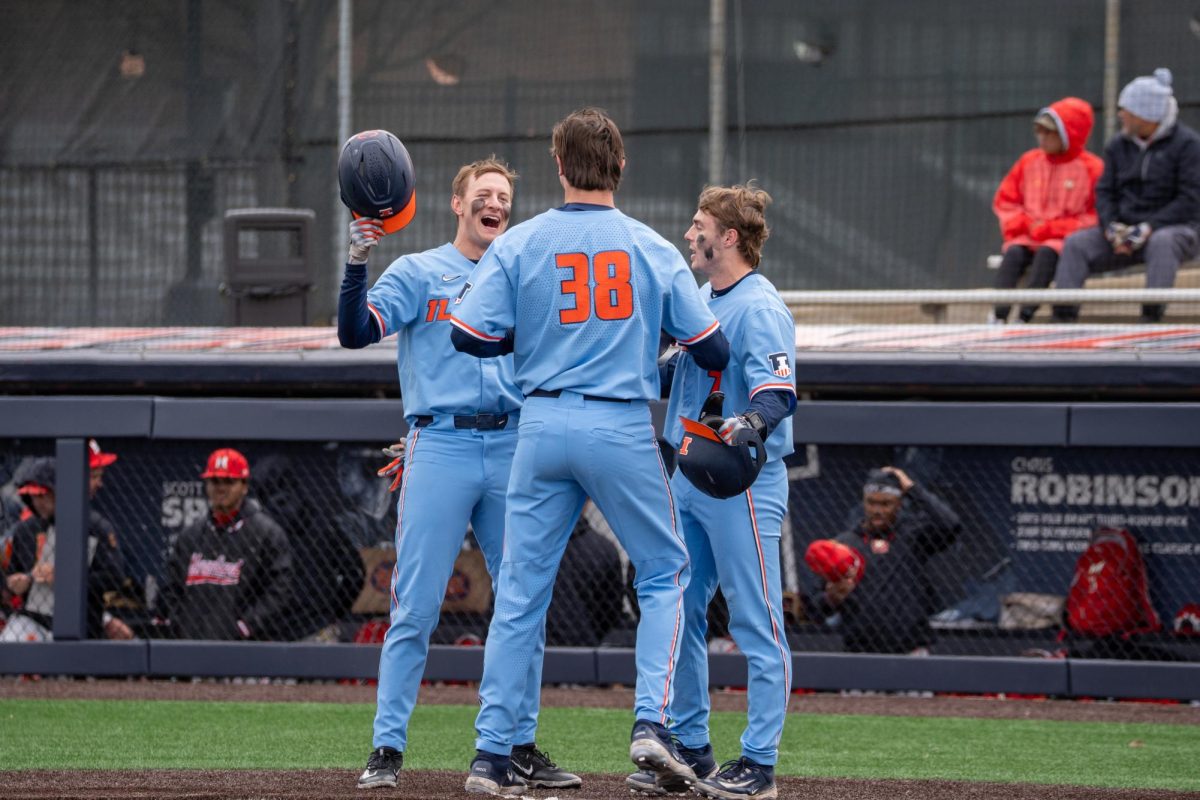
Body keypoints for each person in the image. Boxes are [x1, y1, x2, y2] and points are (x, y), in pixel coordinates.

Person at [451, 107, 730, 796]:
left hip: (541, 422)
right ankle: (650, 726)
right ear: (621, 165)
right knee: (666, 570)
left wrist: (538, 339)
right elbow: (714, 349)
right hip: (617, 423)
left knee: (519, 592)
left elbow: (466, 336)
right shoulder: (648, 246)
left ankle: (491, 755)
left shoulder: (522, 242)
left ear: (557, 163)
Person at [338, 157, 580, 792]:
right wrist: (356, 262)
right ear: (457, 202)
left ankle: (517, 747)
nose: (494, 202)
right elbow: (355, 332)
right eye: (484, 193)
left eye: (503, 194)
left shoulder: (526, 274)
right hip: (440, 444)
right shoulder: (419, 271)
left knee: (524, 604)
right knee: (413, 607)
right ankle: (387, 749)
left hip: (512, 447)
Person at [629, 183, 796, 799]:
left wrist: (752, 420)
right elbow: (677, 367)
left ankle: (759, 763)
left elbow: (778, 391)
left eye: (700, 225)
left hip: (741, 480)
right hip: (688, 473)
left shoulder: (759, 305)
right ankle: (694, 750)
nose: (690, 234)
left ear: (730, 236)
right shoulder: (700, 297)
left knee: (756, 621)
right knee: (684, 609)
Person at [1052, 68, 1200, 323]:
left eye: (1127, 110)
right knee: (1077, 244)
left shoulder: (1188, 145)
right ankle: (1062, 320)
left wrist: (1148, 228)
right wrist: (1112, 227)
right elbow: (1105, 191)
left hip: (1174, 230)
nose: (1121, 115)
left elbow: (1190, 200)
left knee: (1163, 243)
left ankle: (1150, 319)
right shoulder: (1117, 145)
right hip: (1122, 232)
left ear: (1146, 114)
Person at [811, 467, 962, 655]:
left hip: (911, 651)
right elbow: (815, 608)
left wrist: (911, 488)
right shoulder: (844, 544)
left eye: (886, 504)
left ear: (899, 503)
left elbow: (951, 524)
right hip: (860, 653)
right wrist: (831, 598)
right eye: (872, 503)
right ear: (864, 502)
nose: (877, 511)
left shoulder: (914, 535)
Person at [155, 448, 293, 642]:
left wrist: (245, 626)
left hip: (243, 650)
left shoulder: (267, 533)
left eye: (229, 481)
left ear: (244, 486)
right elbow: (172, 586)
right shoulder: (191, 535)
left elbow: (279, 590)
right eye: (214, 481)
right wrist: (181, 624)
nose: (221, 488)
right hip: (192, 645)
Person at [990, 97, 1104, 323]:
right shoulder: (1028, 162)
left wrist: (1054, 229)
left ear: (1069, 133)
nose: (1042, 137)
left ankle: (1025, 316)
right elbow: (1006, 201)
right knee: (1012, 254)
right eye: (1039, 131)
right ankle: (997, 316)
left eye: (1049, 132)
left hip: (1060, 243)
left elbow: (1095, 215)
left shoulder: (1093, 168)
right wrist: (1025, 225)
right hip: (1027, 236)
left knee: (1046, 255)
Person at [0, 455, 131, 642]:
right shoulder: (25, 530)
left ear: (59, 492)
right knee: (10, 645)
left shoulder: (93, 526)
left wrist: (64, 578)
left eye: (44, 495)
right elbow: (11, 578)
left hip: (82, 622)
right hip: (35, 619)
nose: (38, 502)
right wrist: (17, 583)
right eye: (33, 496)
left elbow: (114, 577)